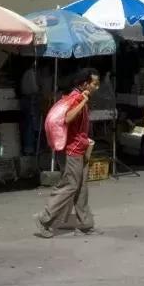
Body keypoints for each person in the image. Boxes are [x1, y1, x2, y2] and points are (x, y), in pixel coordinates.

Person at [36, 68, 100, 238]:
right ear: (85, 84)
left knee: (80, 187)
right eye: (94, 83)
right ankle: (45, 219)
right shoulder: (76, 98)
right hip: (72, 150)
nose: (97, 87)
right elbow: (67, 118)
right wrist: (82, 102)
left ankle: (85, 223)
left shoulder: (78, 97)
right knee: (70, 185)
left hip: (80, 148)